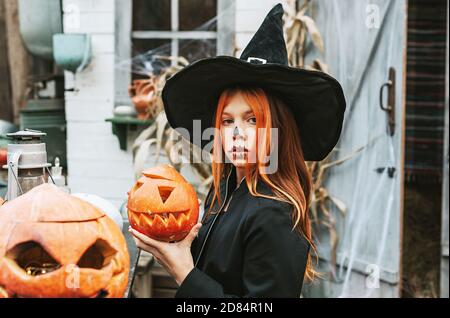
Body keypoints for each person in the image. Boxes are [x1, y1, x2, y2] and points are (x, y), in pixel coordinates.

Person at [130, 3, 346, 298]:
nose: (236, 133)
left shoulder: (275, 214)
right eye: (227, 120)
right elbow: (218, 265)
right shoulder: (226, 190)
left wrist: (184, 273)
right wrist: (171, 244)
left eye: (253, 120)